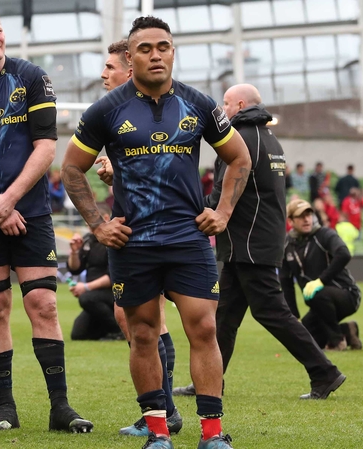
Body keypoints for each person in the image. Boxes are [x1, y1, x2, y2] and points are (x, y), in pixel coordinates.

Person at [61, 16, 252, 449]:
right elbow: (71, 168)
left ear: (172, 51)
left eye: (162, 46)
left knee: (203, 329)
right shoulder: (106, 110)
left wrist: (222, 212)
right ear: (130, 57)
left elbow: (239, 159)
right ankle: (159, 433)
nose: (155, 54)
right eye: (144, 48)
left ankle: (213, 434)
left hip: (187, 239)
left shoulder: (199, 104)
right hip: (133, 243)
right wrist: (98, 224)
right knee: (143, 333)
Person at [0, 6, 93, 433]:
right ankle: (5, 407)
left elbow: (46, 148)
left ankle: (60, 406)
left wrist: (9, 200)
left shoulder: (32, 77)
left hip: (30, 209)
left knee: (43, 303)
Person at [172, 84, 346, 404]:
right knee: (224, 315)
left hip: (248, 242)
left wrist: (188, 208)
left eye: (225, 104)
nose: (222, 110)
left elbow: (223, 193)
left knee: (271, 312)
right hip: (256, 240)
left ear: (240, 105)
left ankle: (324, 370)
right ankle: (209, 381)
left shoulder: (239, 138)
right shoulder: (269, 138)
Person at [94, 39, 183, 438]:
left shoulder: (160, 107)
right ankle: (163, 409)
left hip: (159, 231)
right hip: (131, 226)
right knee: (137, 319)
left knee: (150, 321)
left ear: (129, 70)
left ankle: (165, 412)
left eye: (110, 67)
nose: (104, 74)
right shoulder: (111, 115)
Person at [282, 199, 362, 351]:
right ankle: (348, 330)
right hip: (319, 302)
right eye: (300, 216)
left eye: (309, 214)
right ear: (291, 221)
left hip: (347, 294)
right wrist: (294, 317)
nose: (306, 219)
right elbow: (285, 281)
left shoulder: (324, 234)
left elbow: (344, 254)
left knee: (315, 294)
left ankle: (337, 341)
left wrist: (320, 281)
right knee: (303, 338)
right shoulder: (287, 244)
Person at [66, 204, 122, 341]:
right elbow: (75, 268)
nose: (89, 228)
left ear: (106, 218)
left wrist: (85, 287)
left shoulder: (115, 239)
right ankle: (107, 330)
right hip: (95, 297)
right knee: (78, 334)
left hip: (115, 293)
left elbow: (112, 276)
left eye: (90, 223)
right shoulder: (89, 239)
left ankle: (119, 331)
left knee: (86, 298)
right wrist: (74, 251)